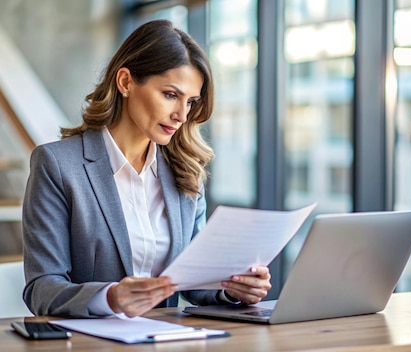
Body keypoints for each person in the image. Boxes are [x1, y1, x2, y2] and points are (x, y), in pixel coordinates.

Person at [22, 20, 271, 318]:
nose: (181, 115)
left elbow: (194, 282)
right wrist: (110, 297)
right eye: (170, 95)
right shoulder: (58, 165)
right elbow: (41, 288)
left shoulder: (185, 171)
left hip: (164, 339)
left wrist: (231, 289)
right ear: (125, 82)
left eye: (190, 102)